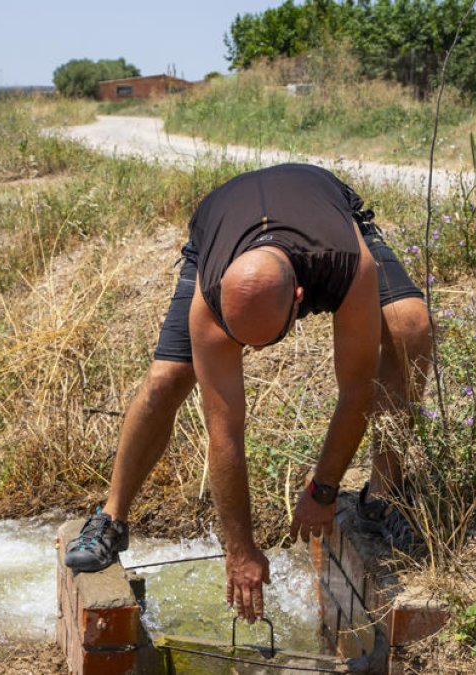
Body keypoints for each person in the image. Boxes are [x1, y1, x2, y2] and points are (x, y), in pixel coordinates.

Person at [63, 163, 431, 623]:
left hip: (320, 206)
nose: (250, 354)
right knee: (166, 379)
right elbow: (225, 435)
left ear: (300, 297)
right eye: (240, 340)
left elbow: (355, 393)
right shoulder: (212, 299)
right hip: (223, 225)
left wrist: (323, 490)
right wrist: (240, 548)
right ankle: (111, 519)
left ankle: (383, 494)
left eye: (265, 342)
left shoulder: (346, 265)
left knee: (410, 327)